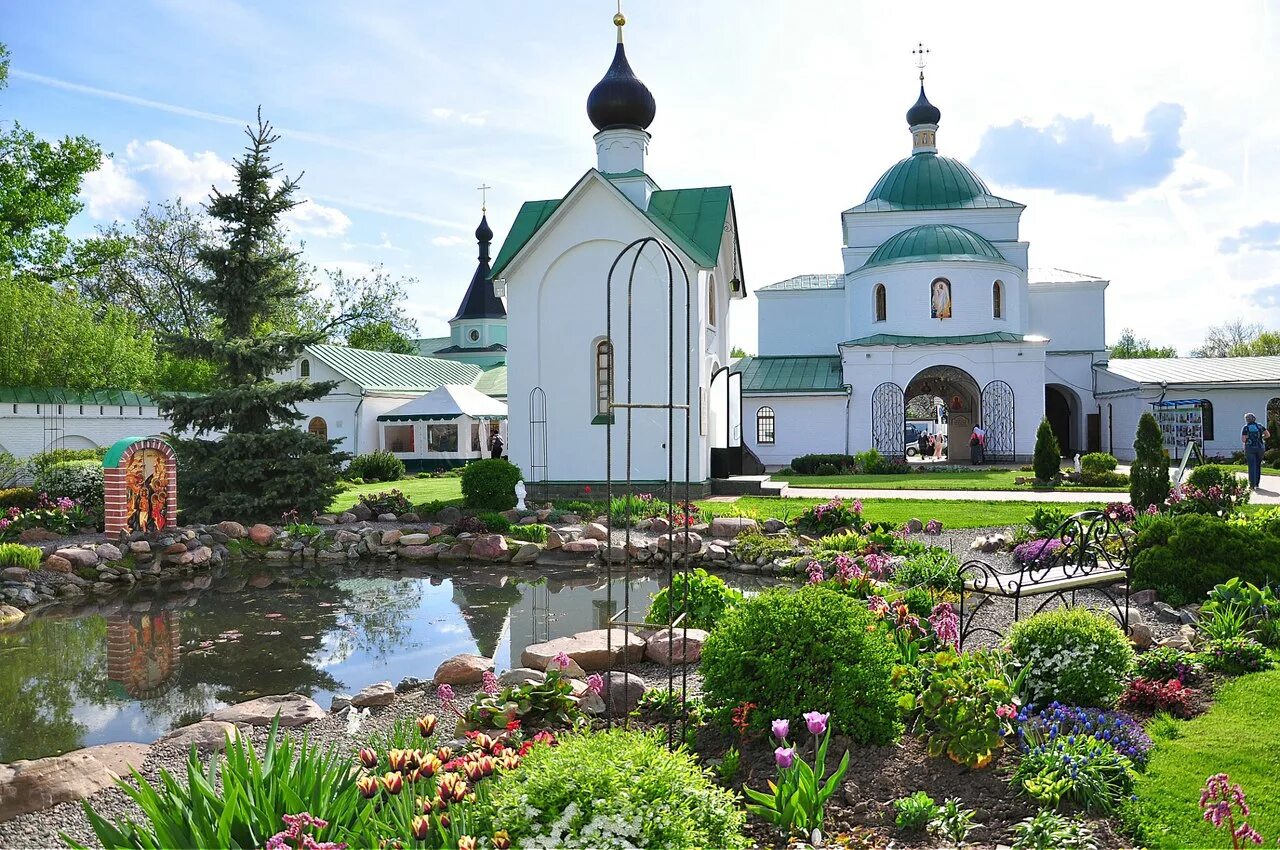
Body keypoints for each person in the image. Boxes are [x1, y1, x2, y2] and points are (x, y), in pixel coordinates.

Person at [1242, 413, 1270, 489]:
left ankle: (1252, 485)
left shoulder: (1245, 428)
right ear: (1254, 419)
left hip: (1250, 448)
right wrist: (1262, 437)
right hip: (1260, 448)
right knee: (1258, 465)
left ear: (1247, 420)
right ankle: (1257, 484)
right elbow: (1268, 435)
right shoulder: (1260, 426)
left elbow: (1243, 440)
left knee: (1251, 466)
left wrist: (1248, 438)